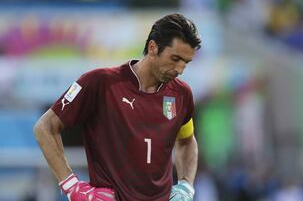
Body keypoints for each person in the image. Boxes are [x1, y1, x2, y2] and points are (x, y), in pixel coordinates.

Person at [33, 13, 201, 201]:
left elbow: (186, 141)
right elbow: (44, 127)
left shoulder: (181, 94)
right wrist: (71, 186)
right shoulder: (100, 83)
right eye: (175, 58)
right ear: (153, 47)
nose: (179, 69)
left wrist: (186, 184)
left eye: (185, 62)